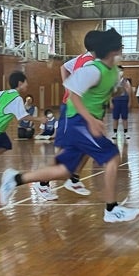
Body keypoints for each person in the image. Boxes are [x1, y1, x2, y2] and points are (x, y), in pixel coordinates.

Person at [0, 29, 139, 223]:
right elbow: (73, 95)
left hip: (84, 122)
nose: (122, 49)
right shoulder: (92, 69)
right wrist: (91, 120)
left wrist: (117, 92)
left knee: (64, 170)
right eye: (120, 46)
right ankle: (111, 208)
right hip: (78, 122)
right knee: (112, 156)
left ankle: (15, 179)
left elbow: (104, 93)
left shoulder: (113, 71)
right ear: (111, 49)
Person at [56, 30, 102, 196]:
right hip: (73, 109)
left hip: (82, 109)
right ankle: (43, 183)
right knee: (68, 149)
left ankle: (73, 179)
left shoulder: (84, 58)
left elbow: (63, 66)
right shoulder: (88, 62)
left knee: (88, 145)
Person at [110, 75, 132, 139]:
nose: (120, 72)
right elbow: (110, 92)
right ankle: (115, 133)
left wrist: (129, 101)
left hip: (124, 100)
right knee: (115, 118)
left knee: (125, 118)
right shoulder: (113, 81)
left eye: (121, 70)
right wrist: (110, 102)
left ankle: (126, 133)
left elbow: (129, 92)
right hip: (116, 100)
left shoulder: (126, 81)